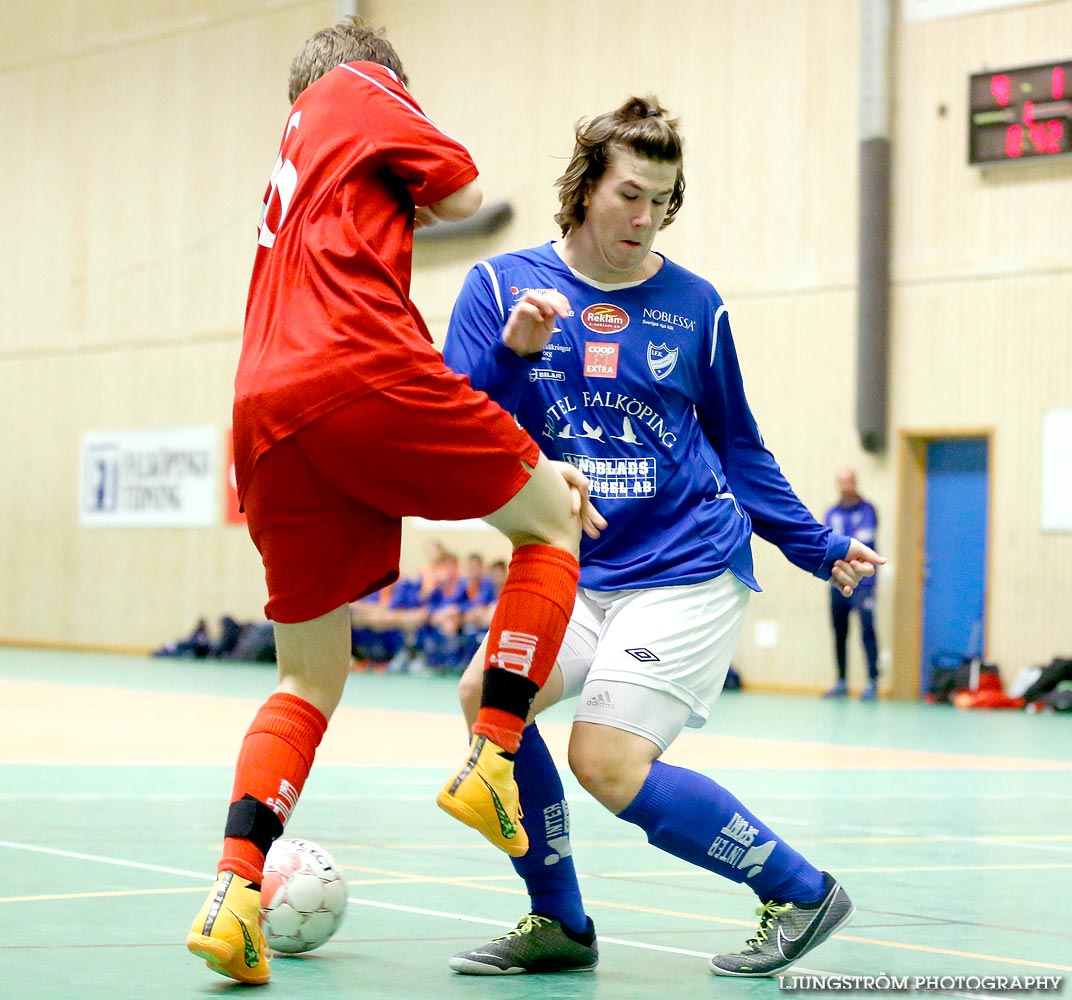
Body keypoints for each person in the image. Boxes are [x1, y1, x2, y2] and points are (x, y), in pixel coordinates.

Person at [185, 17, 604, 985]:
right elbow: (462, 189)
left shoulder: (293, 173)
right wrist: (435, 196)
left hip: (261, 408)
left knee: (306, 677)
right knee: (549, 520)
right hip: (352, 368)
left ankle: (233, 892)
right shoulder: (356, 88)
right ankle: (494, 752)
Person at [441, 95, 884, 979]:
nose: (645, 217)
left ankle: (801, 891)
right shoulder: (498, 289)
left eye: (663, 199)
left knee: (603, 760)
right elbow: (459, 431)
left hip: (685, 568)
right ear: (584, 191)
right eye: (630, 194)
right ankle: (559, 923)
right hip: (571, 570)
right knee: (487, 699)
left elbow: (740, 447)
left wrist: (815, 545)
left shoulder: (696, 306)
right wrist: (517, 357)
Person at [822, 469, 880, 700]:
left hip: (864, 584)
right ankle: (841, 681)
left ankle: (872, 682)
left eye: (849, 482)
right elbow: (827, 542)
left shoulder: (868, 510)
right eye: (842, 483)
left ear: (855, 483)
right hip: (837, 581)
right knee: (839, 631)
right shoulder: (832, 512)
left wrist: (842, 547)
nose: (846, 487)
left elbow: (863, 540)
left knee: (867, 630)